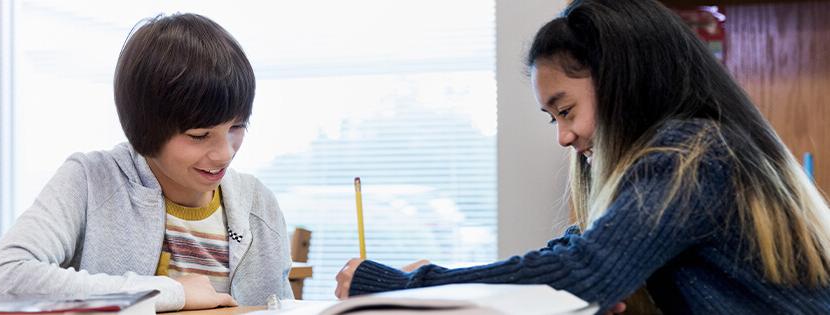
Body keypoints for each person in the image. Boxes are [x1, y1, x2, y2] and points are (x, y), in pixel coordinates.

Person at [334, 0, 830, 313]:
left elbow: (582, 272)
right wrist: (426, 285)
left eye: (565, 110)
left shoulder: (692, 156)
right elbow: (569, 257)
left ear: (624, 82)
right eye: (554, 118)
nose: (564, 138)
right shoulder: (695, 152)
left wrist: (409, 286)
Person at [0, 13, 293, 312]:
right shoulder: (90, 181)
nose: (224, 153)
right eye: (199, 135)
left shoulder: (258, 205)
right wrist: (171, 292)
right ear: (146, 128)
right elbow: (1, 281)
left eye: (236, 127)